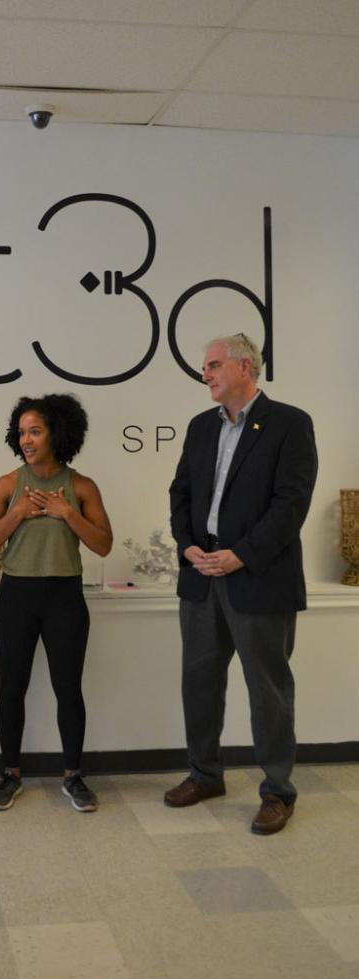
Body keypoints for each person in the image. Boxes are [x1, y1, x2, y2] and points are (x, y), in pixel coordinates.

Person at [167, 333, 318, 834]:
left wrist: (241, 556)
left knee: (267, 689)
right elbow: (181, 491)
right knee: (199, 684)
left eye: (211, 365)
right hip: (201, 576)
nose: (204, 374)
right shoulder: (199, 427)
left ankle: (278, 791)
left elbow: (290, 505)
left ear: (244, 368)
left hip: (258, 578)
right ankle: (205, 774)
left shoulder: (290, 424)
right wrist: (187, 544)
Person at [0, 393, 113, 812]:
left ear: (58, 433)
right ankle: (9, 775)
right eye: (22, 432)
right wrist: (17, 513)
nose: (27, 440)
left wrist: (65, 512)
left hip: (64, 597)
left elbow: (103, 544)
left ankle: (73, 776)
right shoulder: (7, 484)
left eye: (36, 431)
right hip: (16, 595)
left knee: (68, 689)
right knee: (11, 688)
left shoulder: (81, 487)